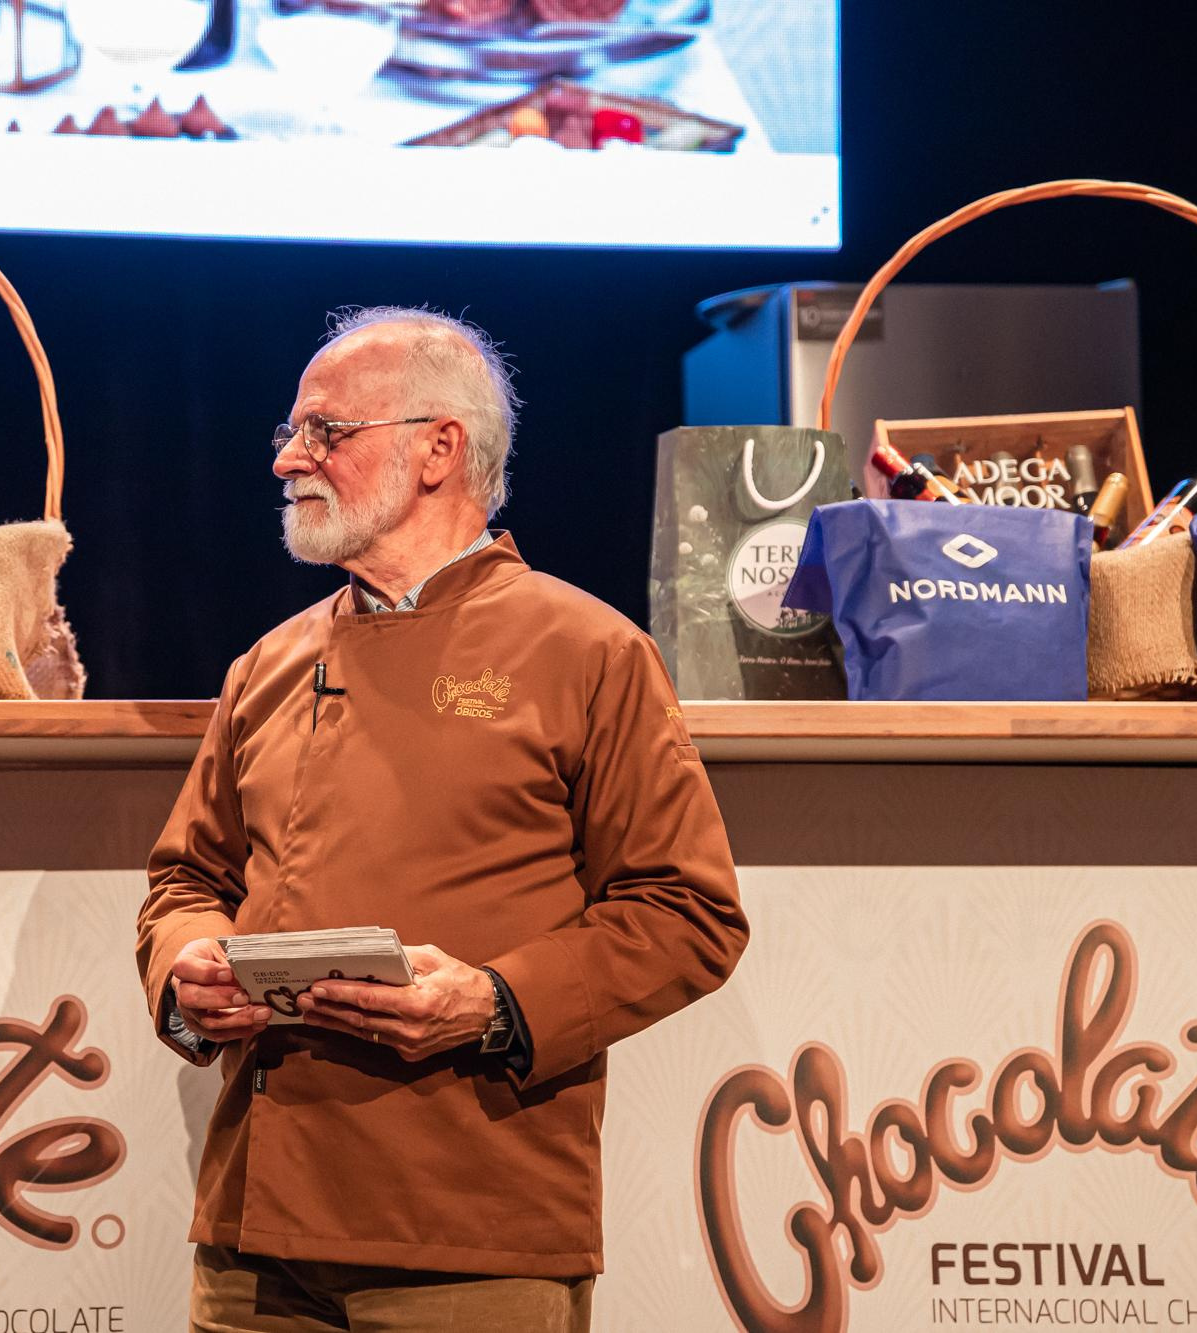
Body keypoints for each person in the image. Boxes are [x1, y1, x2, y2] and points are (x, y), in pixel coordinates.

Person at [135, 306, 747, 1332]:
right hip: (252, 1241)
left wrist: (495, 999)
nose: (290, 457)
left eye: (325, 431)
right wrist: (186, 972)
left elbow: (687, 911)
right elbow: (186, 880)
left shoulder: (584, 650)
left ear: (437, 449)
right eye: (289, 432)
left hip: (471, 1230)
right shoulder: (269, 663)